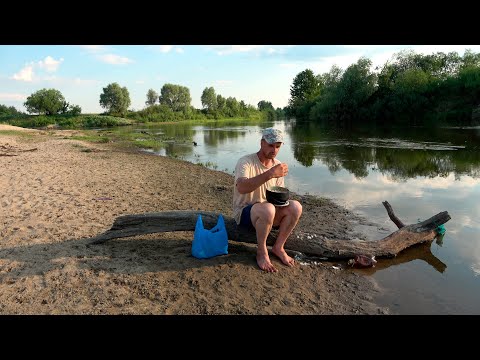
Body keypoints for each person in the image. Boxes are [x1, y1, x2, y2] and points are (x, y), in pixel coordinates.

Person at [233, 127, 303, 272]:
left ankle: (278, 247)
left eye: (278, 146)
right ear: (262, 143)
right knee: (268, 209)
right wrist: (270, 173)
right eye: (271, 145)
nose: (274, 150)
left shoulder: (277, 166)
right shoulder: (246, 162)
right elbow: (241, 187)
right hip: (245, 213)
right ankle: (262, 252)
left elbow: (277, 196)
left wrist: (283, 201)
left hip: (268, 213)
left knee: (296, 206)